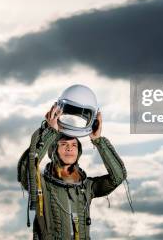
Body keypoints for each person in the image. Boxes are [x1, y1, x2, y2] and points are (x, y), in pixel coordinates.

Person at [18, 101, 128, 239]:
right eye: (63, 144)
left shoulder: (87, 187)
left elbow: (118, 176)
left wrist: (98, 140)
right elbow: (26, 168)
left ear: (79, 152)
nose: (69, 148)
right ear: (53, 151)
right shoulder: (42, 185)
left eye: (74, 145)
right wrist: (50, 132)